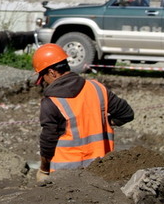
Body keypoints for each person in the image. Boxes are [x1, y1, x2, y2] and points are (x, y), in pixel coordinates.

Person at [32, 44, 133, 184]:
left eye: (43, 76)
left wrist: (43, 169)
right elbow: (126, 114)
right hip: (102, 171)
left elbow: (48, 141)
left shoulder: (51, 102)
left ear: (52, 72)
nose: (43, 81)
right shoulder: (97, 88)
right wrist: (102, 122)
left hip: (66, 177)